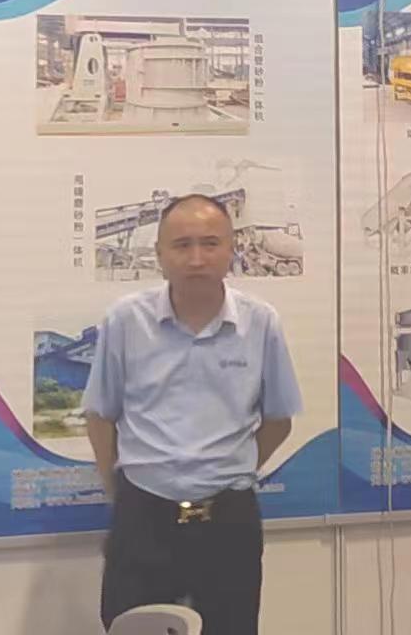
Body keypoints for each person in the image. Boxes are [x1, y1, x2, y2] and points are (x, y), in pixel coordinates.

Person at [83, 194, 302, 635]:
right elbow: (101, 415)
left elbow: (279, 419)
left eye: (210, 243)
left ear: (231, 249)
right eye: (182, 245)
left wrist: (227, 468)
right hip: (144, 516)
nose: (197, 258)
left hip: (229, 520)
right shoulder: (126, 321)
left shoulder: (261, 323)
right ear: (160, 254)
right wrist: (120, 489)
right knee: (134, 627)